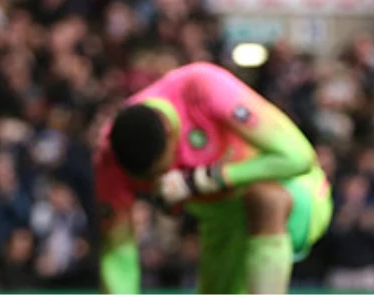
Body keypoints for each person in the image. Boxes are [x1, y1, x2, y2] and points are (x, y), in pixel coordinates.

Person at [94, 62, 333, 295]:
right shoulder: (108, 157)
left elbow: (298, 158)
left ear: (169, 131)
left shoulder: (202, 87)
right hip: (222, 233)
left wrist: (207, 179)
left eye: (161, 170)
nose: (162, 179)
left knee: (265, 198)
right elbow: (118, 250)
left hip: (299, 198)